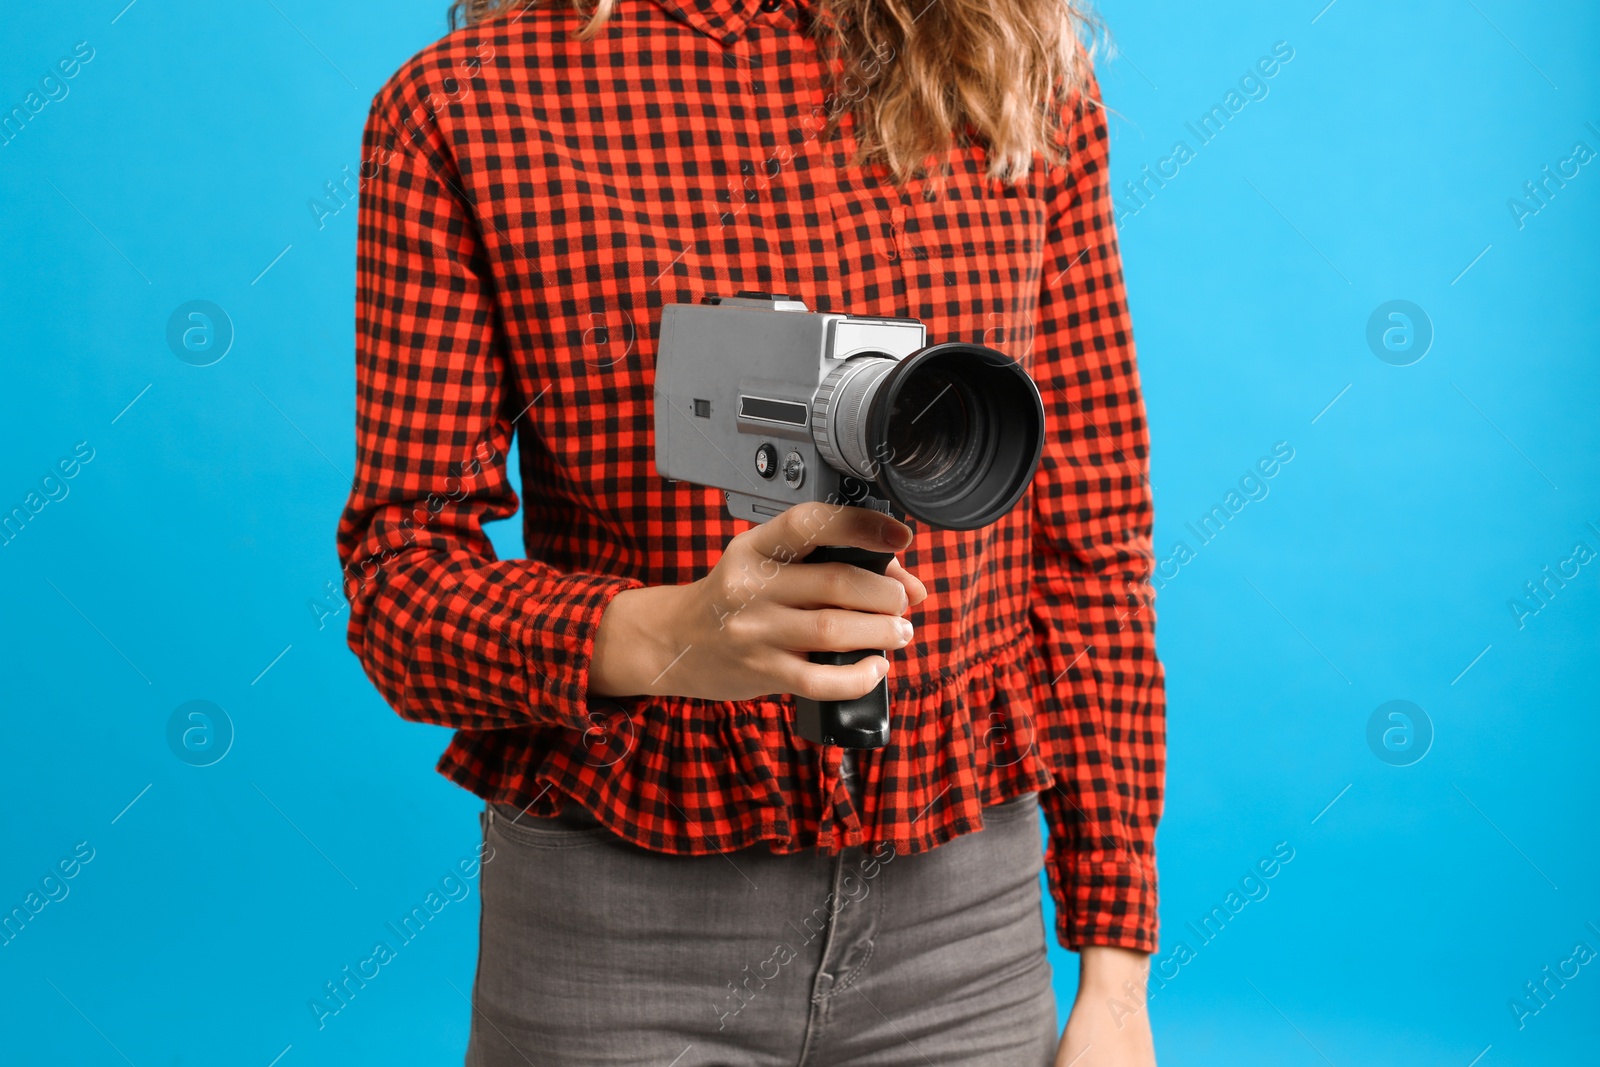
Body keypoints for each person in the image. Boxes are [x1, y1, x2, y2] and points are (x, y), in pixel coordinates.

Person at [335, 0, 1165, 1061]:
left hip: (965, 927)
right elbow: (399, 578)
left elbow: (1089, 543)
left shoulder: (1009, 62)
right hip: (619, 921)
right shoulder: (465, 105)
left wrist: (1114, 974)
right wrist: (671, 633)